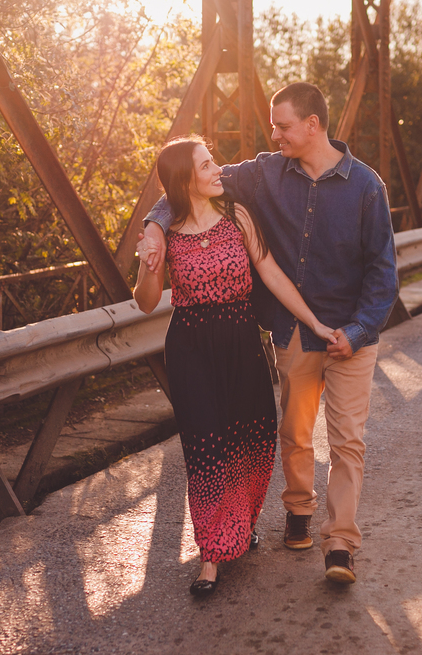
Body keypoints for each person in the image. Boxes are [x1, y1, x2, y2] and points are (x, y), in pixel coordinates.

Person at [141, 81, 399, 584]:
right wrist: (154, 224)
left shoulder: (366, 187)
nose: (274, 134)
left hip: (350, 331)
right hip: (293, 329)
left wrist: (358, 329)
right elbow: (187, 184)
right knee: (294, 432)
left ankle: (341, 544)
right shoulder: (264, 173)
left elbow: (383, 274)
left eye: (282, 126)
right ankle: (298, 509)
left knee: (348, 440)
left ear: (313, 125)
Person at [133, 135, 337, 597]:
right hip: (191, 348)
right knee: (206, 450)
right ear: (187, 180)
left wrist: (314, 323)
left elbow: (270, 272)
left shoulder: (237, 216)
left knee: (253, 439)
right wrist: (150, 264)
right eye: (206, 166)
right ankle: (210, 555)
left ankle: (239, 525)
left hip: (242, 341)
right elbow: (146, 303)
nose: (217, 170)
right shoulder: (165, 234)